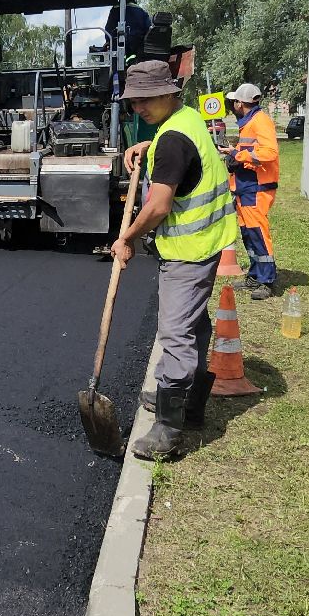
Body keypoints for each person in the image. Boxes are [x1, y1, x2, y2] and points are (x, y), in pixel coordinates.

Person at [113, 60, 239, 461]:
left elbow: (159, 205)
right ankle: (193, 400)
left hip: (188, 251)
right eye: (135, 102)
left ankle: (168, 427)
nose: (140, 109)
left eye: (148, 99)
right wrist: (145, 145)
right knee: (194, 323)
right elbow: (181, 152)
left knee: (173, 333)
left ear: (171, 93)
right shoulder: (186, 121)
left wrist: (127, 237)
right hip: (209, 242)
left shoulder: (172, 140)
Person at [222, 83, 279, 300]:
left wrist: (239, 156)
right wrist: (235, 153)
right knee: (248, 233)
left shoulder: (260, 121)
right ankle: (255, 275)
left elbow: (269, 152)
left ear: (239, 103)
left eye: (233, 102)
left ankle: (267, 280)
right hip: (246, 185)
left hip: (257, 186)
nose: (232, 105)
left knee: (257, 232)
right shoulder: (249, 123)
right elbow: (250, 151)